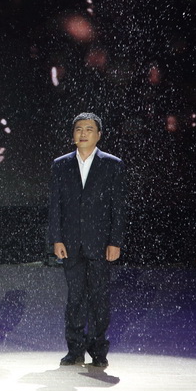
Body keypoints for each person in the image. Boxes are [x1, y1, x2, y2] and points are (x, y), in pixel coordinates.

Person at [48, 112, 126, 368]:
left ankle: (98, 349)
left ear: (98, 135)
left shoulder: (112, 164)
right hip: (70, 243)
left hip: (101, 244)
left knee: (99, 299)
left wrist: (115, 241)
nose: (83, 133)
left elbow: (118, 207)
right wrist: (57, 239)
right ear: (73, 135)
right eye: (79, 129)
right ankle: (75, 349)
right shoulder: (60, 165)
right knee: (75, 298)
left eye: (89, 129)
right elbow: (55, 206)